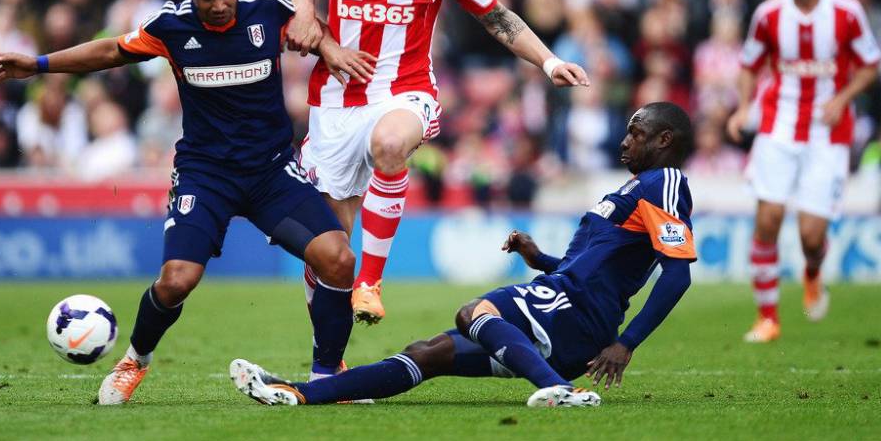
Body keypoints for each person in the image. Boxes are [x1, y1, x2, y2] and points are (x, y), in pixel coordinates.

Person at [0, 0, 377, 402]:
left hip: (270, 173)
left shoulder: (267, 8)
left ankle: (329, 376)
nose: (219, 5)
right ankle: (135, 360)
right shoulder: (169, 26)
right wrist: (39, 65)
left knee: (339, 259)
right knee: (176, 281)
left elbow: (311, 25)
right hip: (205, 175)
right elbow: (112, 51)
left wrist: (328, 45)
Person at [285, 0, 589, 326]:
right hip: (337, 98)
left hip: (407, 90)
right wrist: (306, 14)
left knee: (390, 144)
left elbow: (496, 16)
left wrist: (549, 61)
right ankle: (330, 364)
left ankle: (371, 280)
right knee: (329, 257)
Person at [230, 102, 695, 408]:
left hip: (577, 313)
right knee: (426, 353)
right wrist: (543, 261)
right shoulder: (632, 188)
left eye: (635, 133)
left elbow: (676, 275)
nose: (624, 140)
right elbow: (604, 268)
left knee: (474, 311)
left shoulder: (665, 183)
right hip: (564, 306)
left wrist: (625, 343)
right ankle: (301, 394)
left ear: (664, 140)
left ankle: (558, 390)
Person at [726, 0, 881, 343]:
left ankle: (812, 272)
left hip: (828, 135)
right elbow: (748, 65)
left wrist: (844, 97)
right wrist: (743, 108)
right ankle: (768, 318)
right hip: (778, 127)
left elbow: (870, 65)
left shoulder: (847, 13)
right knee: (768, 219)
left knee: (812, 237)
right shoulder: (769, 15)